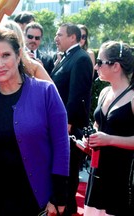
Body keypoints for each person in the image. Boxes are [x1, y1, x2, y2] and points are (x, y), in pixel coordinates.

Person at [0, 26, 70, 216]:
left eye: (5, 55)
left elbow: (61, 146)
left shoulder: (46, 92)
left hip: (39, 201)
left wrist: (58, 197)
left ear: (18, 55)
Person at [83, 41, 134, 215]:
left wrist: (109, 140)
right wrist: (91, 140)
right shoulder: (104, 92)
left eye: (100, 62)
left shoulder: (133, 97)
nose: (96, 66)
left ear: (116, 66)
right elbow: (99, 126)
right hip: (97, 170)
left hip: (120, 175)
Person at [50, 23, 93, 216]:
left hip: (69, 128)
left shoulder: (81, 58)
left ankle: (67, 210)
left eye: (59, 35)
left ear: (73, 37)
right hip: (61, 126)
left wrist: (66, 125)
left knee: (68, 173)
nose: (56, 38)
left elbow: (77, 95)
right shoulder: (68, 57)